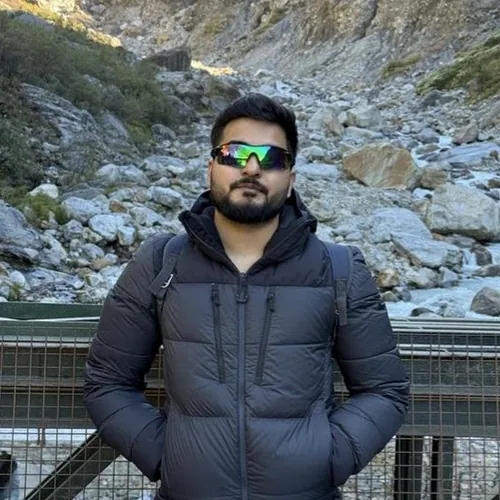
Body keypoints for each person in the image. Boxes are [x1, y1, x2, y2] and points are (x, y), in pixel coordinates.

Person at [83, 93, 410, 500]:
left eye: (272, 158)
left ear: (290, 179)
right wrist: (168, 457)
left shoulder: (339, 268)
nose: (252, 167)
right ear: (211, 168)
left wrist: (327, 457)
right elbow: (108, 382)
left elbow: (385, 390)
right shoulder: (159, 263)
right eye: (234, 153)